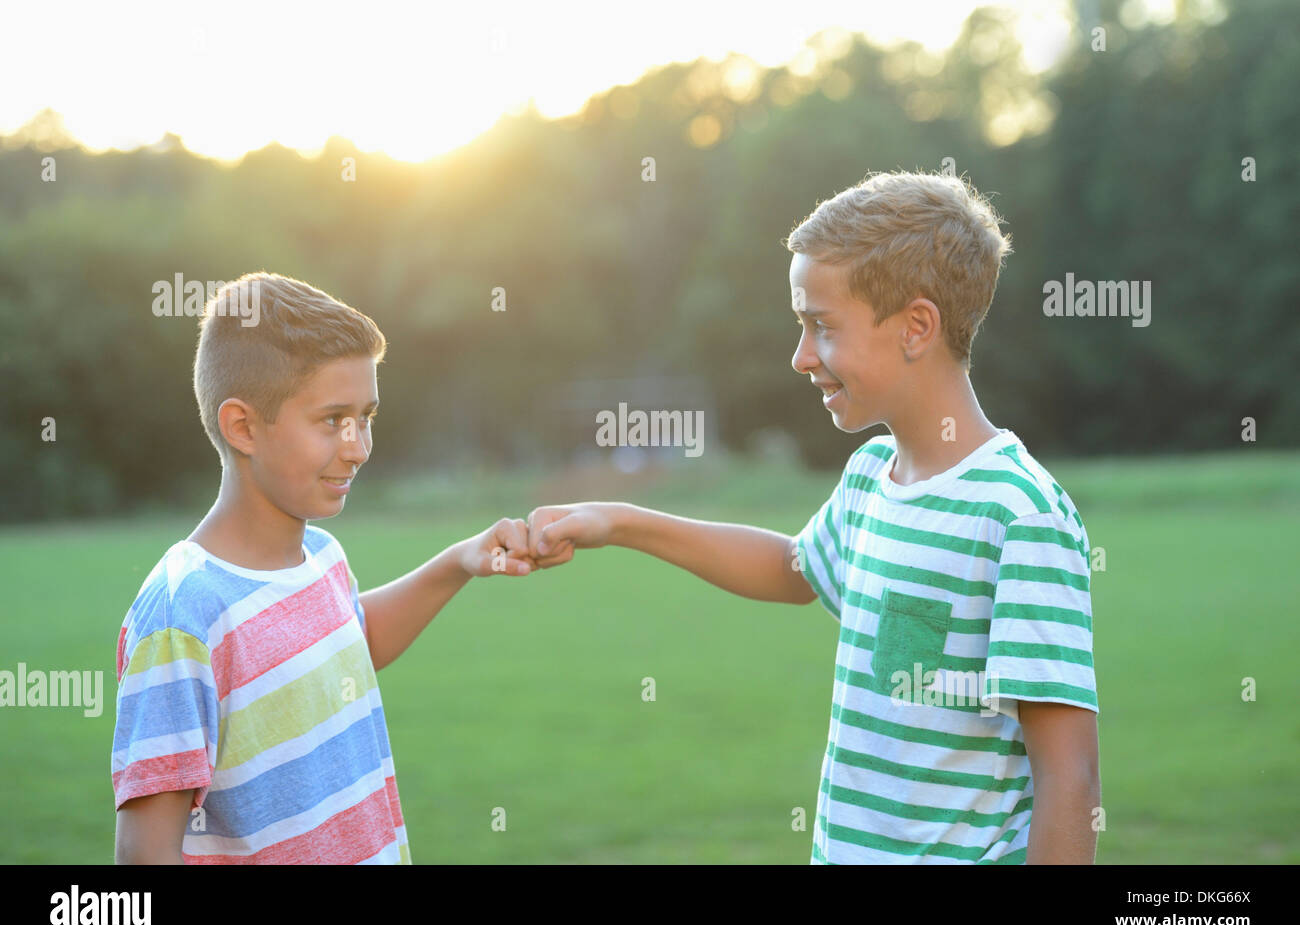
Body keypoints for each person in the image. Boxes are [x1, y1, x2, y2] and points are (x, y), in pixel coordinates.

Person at [524, 170, 1102, 864]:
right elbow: (793, 568)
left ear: (917, 326)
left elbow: (1070, 777)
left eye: (821, 327)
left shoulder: (1020, 514)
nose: (800, 357)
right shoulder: (869, 478)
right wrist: (619, 522)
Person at [111, 273, 535, 864]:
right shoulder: (184, 615)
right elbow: (143, 860)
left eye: (366, 417)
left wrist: (461, 561)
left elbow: (355, 638)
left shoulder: (321, 556)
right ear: (243, 427)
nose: (358, 445)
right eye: (333, 419)